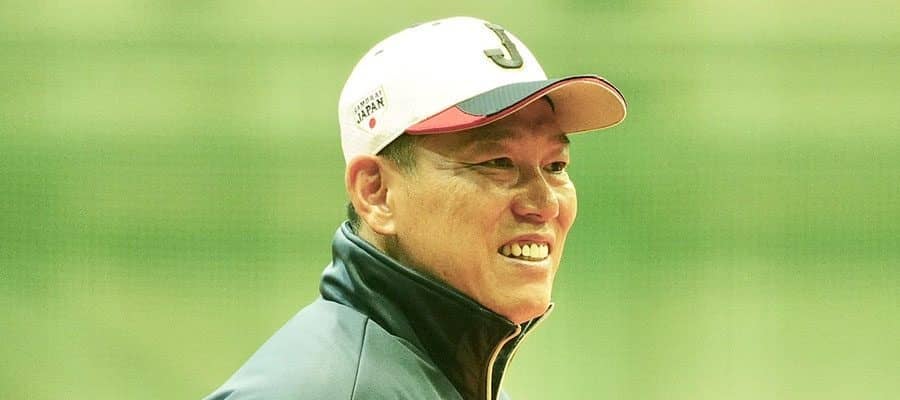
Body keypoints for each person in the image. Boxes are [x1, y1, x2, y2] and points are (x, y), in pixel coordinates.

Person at [204, 16, 626, 400]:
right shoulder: (318, 391)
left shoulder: (446, 377)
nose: (545, 203)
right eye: (497, 163)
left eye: (555, 166)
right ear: (377, 193)